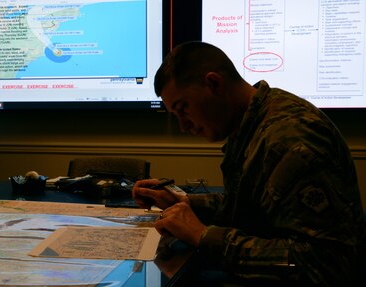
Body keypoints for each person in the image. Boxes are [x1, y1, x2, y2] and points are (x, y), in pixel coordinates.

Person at [132, 41, 366, 286]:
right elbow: (253, 206)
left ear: (214, 84)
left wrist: (203, 236)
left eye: (184, 109)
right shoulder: (254, 122)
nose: (183, 126)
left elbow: (327, 265)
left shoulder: (289, 139)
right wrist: (184, 203)